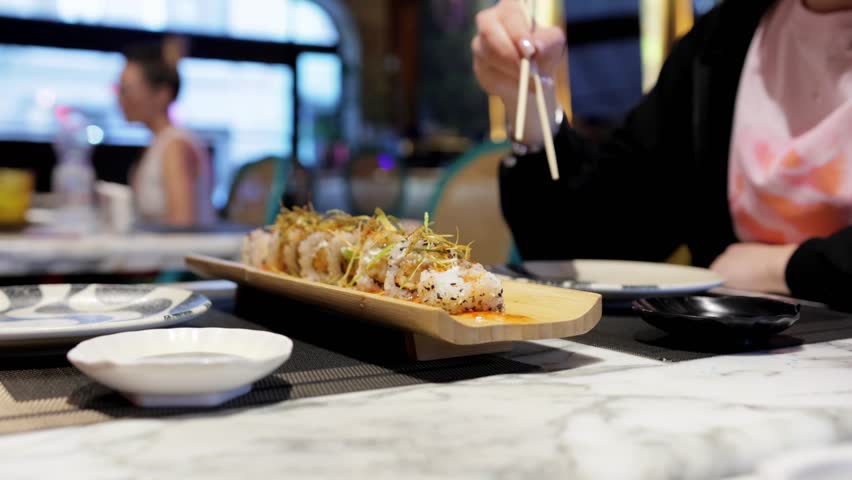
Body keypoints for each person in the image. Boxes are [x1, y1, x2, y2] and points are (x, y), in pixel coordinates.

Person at [472, 0, 852, 310]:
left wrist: (783, 268)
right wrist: (531, 101)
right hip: (732, 368)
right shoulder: (720, 43)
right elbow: (590, 247)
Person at [117, 40, 216, 227]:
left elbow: (182, 226)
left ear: (162, 94)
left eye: (126, 90)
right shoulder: (160, 143)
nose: (120, 99)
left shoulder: (175, 146)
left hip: (174, 256)